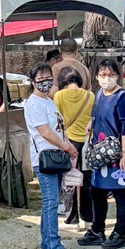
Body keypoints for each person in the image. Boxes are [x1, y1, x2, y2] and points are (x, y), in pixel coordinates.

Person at [79, 58, 125, 249]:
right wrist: (91, 123)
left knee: (122, 194)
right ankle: (98, 230)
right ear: (97, 77)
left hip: (119, 153)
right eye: (103, 75)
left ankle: (119, 233)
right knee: (96, 191)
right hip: (101, 154)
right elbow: (96, 114)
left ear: (117, 76)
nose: (107, 78)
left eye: (111, 74)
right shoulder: (98, 94)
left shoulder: (124, 97)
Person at [24, 63, 77, 249]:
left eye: (48, 77)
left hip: (56, 156)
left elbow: (57, 128)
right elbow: (45, 132)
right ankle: (55, 248)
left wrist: (67, 144)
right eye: (40, 78)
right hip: (46, 158)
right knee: (51, 203)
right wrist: (66, 147)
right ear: (32, 81)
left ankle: (46, 244)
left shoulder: (48, 101)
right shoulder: (34, 103)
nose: (45, 81)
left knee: (50, 202)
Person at [53, 69, 94, 227]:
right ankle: (88, 219)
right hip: (87, 143)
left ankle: (72, 220)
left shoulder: (59, 96)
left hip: (70, 143)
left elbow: (59, 120)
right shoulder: (90, 95)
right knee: (87, 181)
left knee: (70, 181)